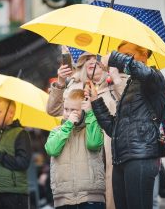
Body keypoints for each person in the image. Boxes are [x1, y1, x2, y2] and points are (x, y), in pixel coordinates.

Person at [85, 41, 165, 209]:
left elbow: (142, 72)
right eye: (120, 55)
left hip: (141, 158)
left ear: (144, 55)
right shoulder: (130, 85)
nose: (121, 61)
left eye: (127, 55)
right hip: (122, 159)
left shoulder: (154, 77)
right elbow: (114, 129)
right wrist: (95, 101)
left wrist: (114, 57)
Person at [46, 49, 128, 209]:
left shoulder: (116, 84)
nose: (92, 61)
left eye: (97, 58)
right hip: (81, 155)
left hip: (111, 151)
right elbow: (53, 110)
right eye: (88, 58)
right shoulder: (74, 87)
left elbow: (130, 106)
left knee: (112, 199)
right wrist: (61, 82)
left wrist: (116, 77)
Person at [45, 89, 105, 209]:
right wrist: (67, 126)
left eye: (74, 110)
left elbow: (93, 144)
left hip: (90, 196)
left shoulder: (92, 126)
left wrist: (90, 113)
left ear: (83, 110)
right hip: (64, 199)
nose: (68, 113)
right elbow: (52, 150)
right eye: (66, 109)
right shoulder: (57, 131)